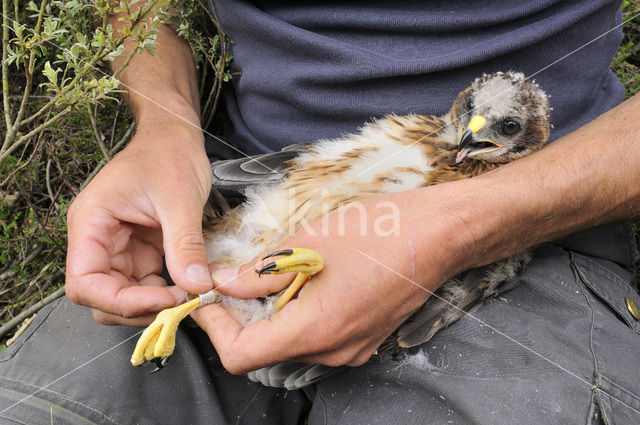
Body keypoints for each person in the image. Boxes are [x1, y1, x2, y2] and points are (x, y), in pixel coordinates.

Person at [2, 1, 640, 424]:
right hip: (247, 207)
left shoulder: (506, 161)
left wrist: (458, 226)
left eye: (494, 129)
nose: (471, 134)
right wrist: (166, 130)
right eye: (469, 118)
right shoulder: (418, 133)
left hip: (541, 223)